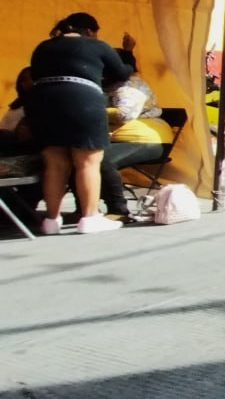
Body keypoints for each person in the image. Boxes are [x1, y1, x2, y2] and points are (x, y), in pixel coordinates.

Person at [26, 13, 132, 235]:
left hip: (43, 102)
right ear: (90, 31)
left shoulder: (43, 47)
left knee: (54, 164)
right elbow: (122, 73)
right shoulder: (97, 45)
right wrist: (129, 55)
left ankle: (51, 221)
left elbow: (34, 74)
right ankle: (90, 217)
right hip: (81, 101)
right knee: (87, 162)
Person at [99, 47, 173, 222]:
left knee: (101, 160)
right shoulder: (109, 86)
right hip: (118, 139)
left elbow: (124, 113)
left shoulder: (131, 86)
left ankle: (118, 210)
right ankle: (85, 209)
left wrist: (92, 111)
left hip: (147, 140)